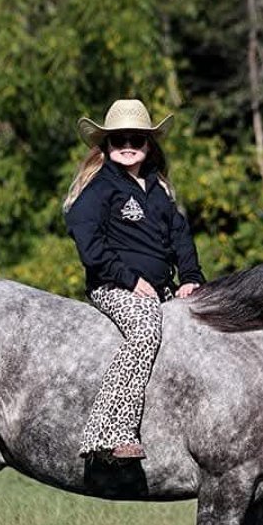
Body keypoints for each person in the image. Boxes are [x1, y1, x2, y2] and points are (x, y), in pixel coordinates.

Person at [63, 98, 205, 461]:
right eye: (118, 139)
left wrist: (190, 277)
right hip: (114, 287)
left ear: (148, 145)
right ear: (106, 146)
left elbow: (181, 238)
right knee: (144, 331)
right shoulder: (100, 189)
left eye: (136, 139)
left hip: (162, 288)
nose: (128, 145)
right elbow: (87, 239)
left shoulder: (159, 190)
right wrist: (128, 280)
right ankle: (108, 431)